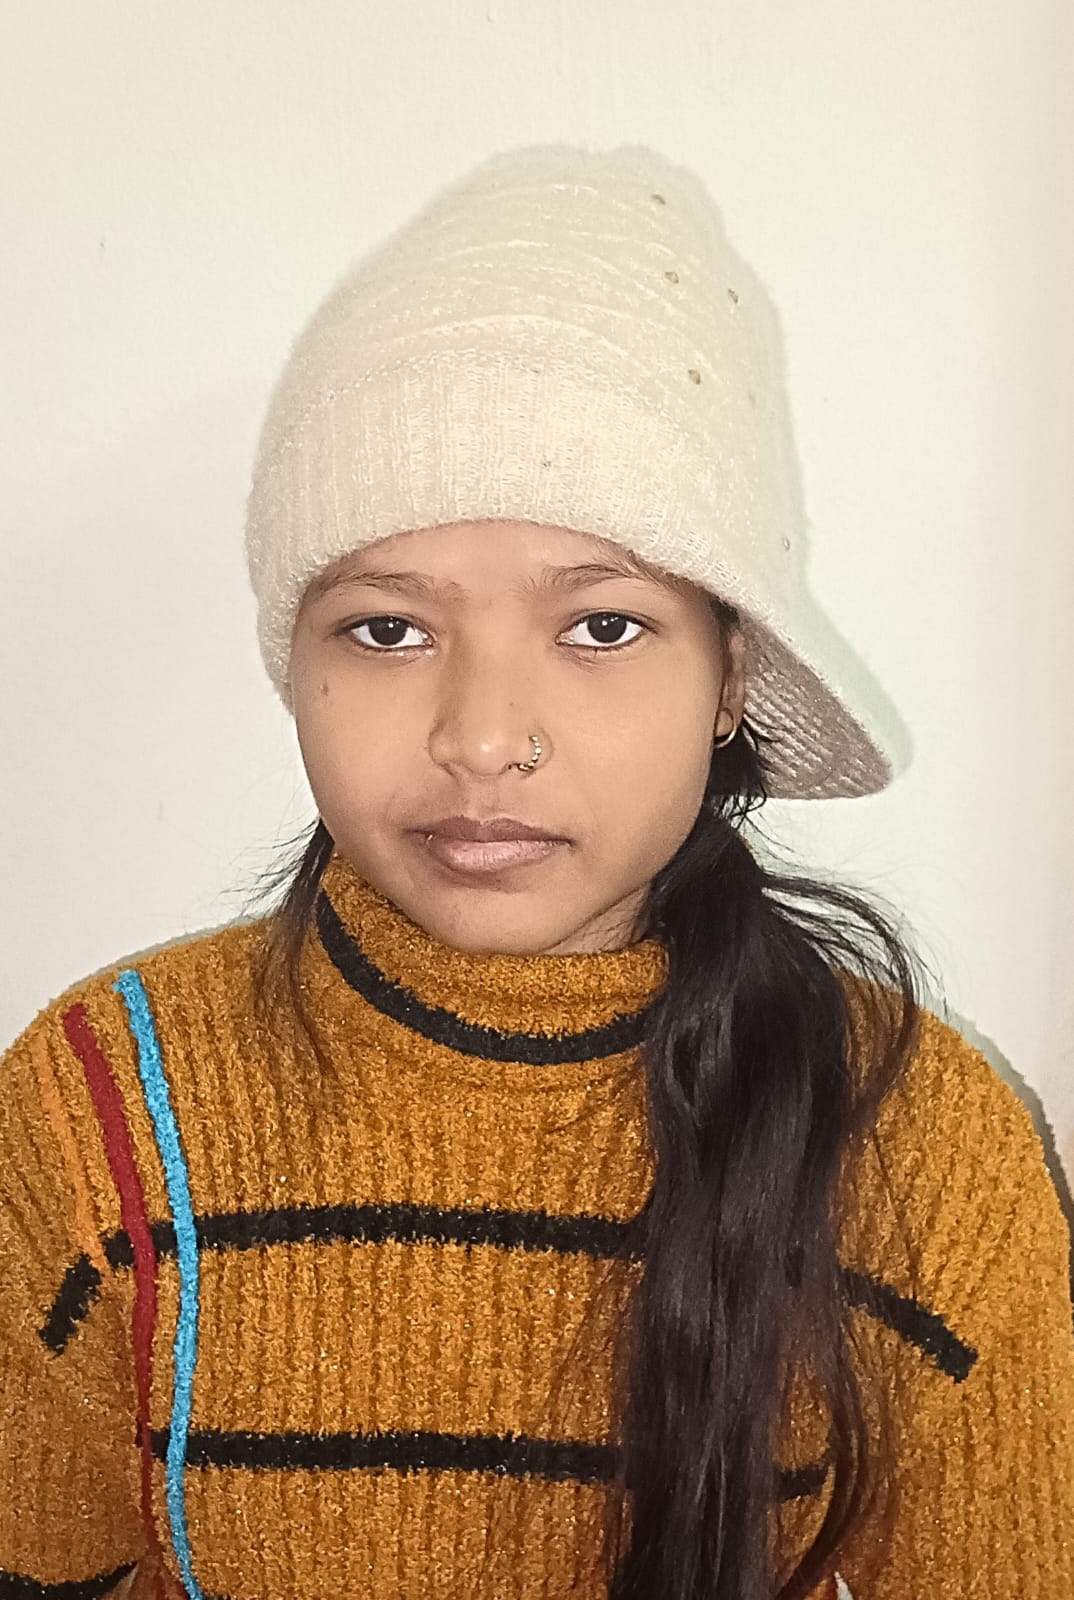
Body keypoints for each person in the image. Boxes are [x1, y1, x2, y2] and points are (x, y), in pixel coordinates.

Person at [1, 143, 1071, 1600]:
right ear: (294, 664)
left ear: (728, 677)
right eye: (387, 629)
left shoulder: (921, 1145)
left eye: (601, 627)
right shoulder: (104, 1104)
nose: (482, 737)